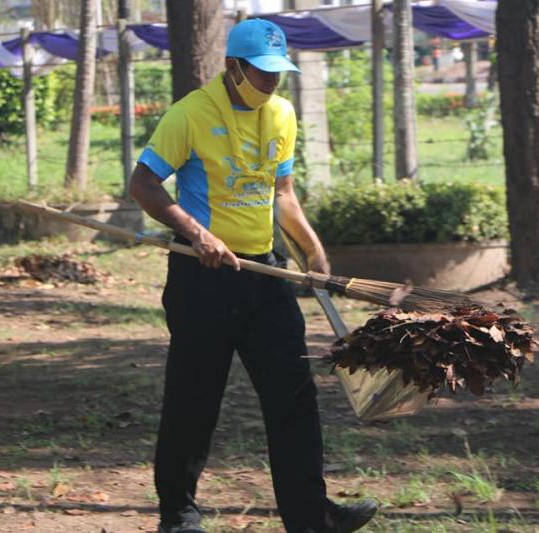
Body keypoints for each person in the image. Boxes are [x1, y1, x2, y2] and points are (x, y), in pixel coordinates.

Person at [130, 18, 378, 533]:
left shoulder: (282, 114)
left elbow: (282, 192)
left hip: (266, 274)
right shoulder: (190, 115)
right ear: (232, 67)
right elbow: (145, 184)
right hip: (203, 278)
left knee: (294, 397)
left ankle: (311, 517)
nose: (271, 81)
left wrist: (312, 250)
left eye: (277, 72)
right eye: (261, 72)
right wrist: (197, 234)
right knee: (193, 400)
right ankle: (178, 514)